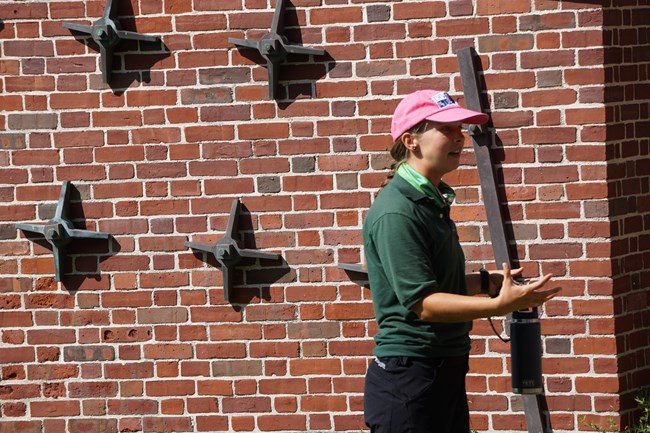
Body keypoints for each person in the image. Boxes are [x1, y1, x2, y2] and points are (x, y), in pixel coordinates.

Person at [362, 90, 561, 433]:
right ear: (411, 140)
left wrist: (487, 283)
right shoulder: (397, 211)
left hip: (441, 371)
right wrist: (498, 306)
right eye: (446, 129)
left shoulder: (430, 201)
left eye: (461, 129)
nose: (460, 137)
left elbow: (435, 284)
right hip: (410, 379)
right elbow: (423, 303)